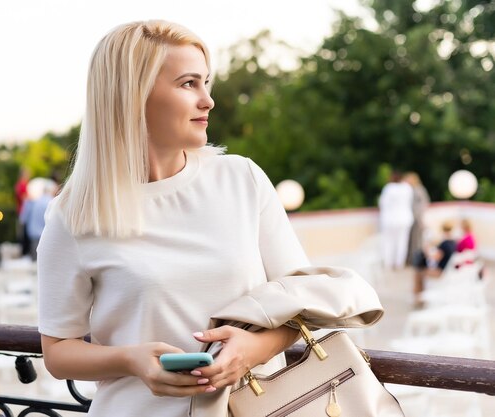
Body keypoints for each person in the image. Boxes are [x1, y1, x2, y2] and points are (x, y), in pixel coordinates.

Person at [37, 20, 378, 417]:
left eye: (206, 82)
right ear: (132, 95)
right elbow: (58, 352)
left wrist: (254, 349)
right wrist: (132, 359)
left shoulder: (242, 179)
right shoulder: (75, 215)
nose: (208, 100)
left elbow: (302, 300)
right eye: (188, 83)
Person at [412, 220, 457, 306]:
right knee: (420, 272)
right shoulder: (453, 242)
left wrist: (427, 251)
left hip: (441, 271)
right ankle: (420, 297)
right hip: (447, 270)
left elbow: (436, 257)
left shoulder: (445, 244)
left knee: (418, 273)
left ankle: (418, 299)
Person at [378, 170, 414, 270]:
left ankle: (388, 263)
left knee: (389, 242)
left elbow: (383, 203)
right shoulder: (407, 188)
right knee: (402, 242)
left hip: (390, 219)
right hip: (404, 219)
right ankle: (399, 263)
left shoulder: (388, 188)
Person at [19, 180, 57, 260]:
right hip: (44, 235)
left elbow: (23, 218)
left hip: (33, 233)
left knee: (35, 260)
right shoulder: (51, 202)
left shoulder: (37, 201)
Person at [403, 172, 430, 265]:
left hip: (417, 219)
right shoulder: (409, 190)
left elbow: (424, 203)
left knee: (416, 241)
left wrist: (419, 216)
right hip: (410, 219)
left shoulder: (419, 189)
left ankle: (415, 261)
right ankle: (409, 259)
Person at [14, 167, 31, 256]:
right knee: (24, 235)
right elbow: (25, 199)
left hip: (21, 212)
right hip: (24, 213)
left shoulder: (18, 184)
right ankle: (25, 253)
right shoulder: (23, 185)